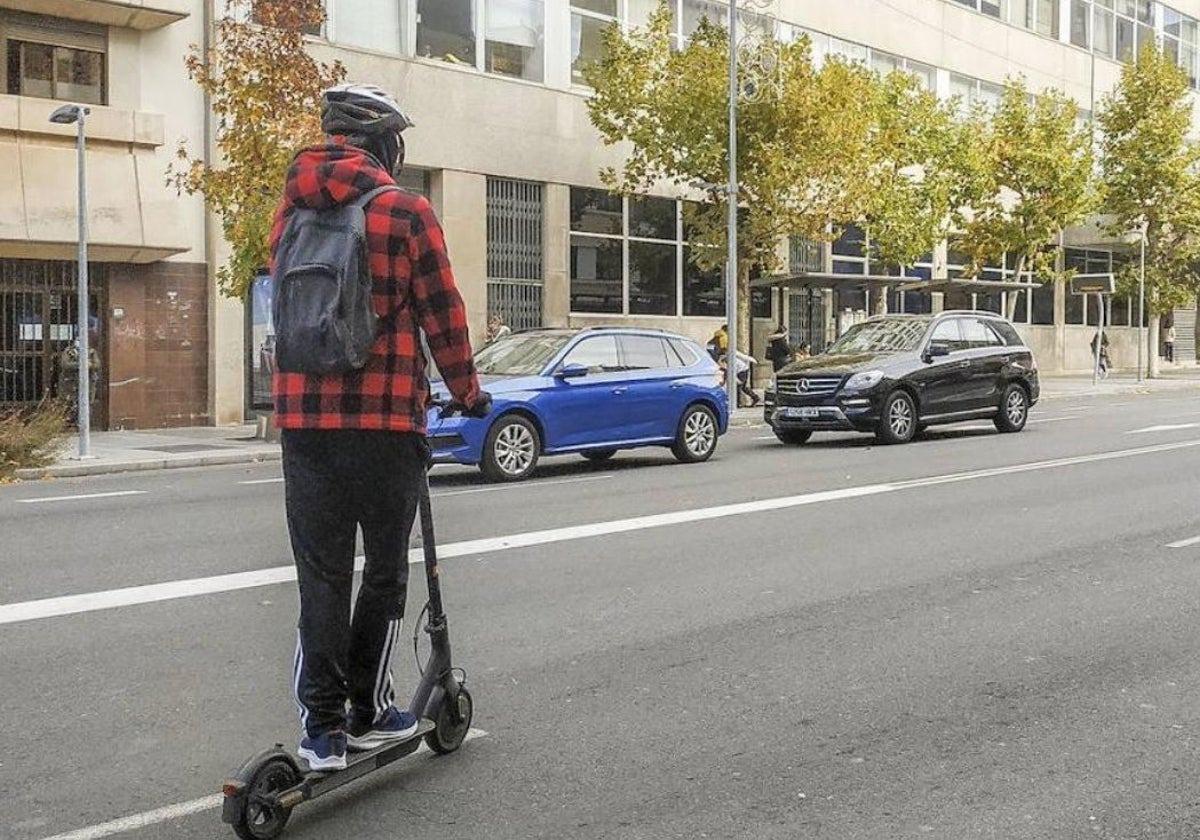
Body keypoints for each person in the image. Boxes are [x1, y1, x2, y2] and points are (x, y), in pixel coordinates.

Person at [269, 83, 490, 772]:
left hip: (304, 425)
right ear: (385, 143)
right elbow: (442, 315)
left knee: (322, 578)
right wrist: (469, 392)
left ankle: (324, 732)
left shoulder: (289, 211)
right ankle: (367, 709)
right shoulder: (404, 209)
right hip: (387, 424)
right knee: (386, 576)